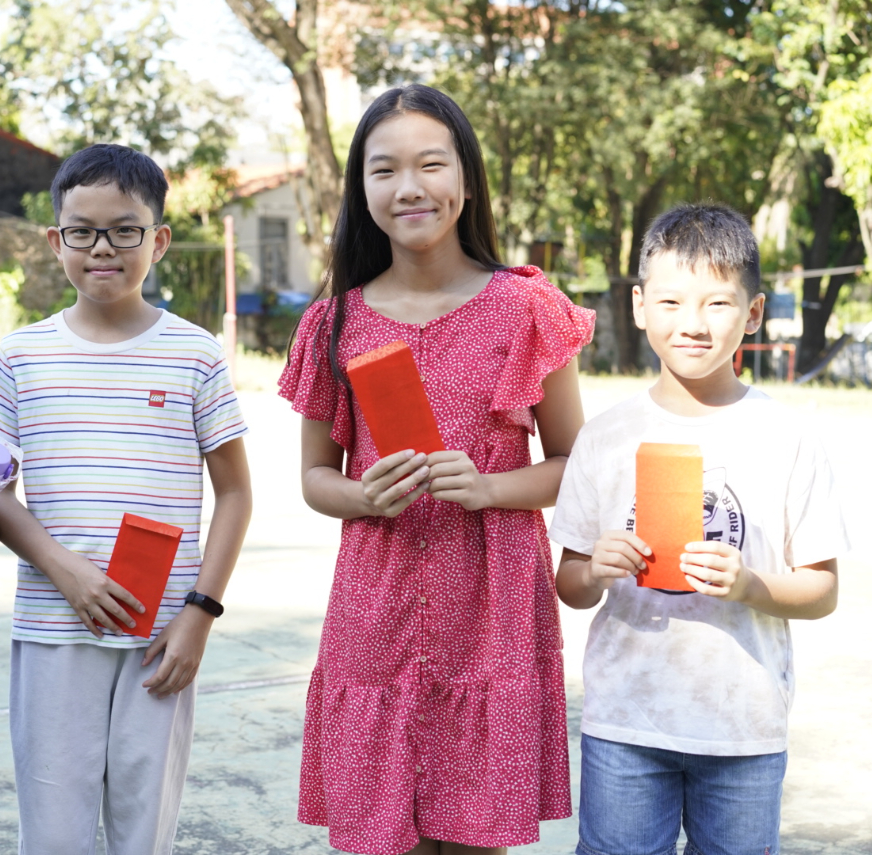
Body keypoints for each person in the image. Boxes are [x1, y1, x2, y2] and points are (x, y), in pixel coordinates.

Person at [279, 84, 594, 855]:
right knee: (380, 838)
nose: (409, 187)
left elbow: (577, 466)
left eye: (430, 164)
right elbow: (315, 478)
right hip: (374, 604)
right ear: (361, 189)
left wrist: (488, 487)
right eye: (384, 170)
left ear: (466, 178)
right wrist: (363, 494)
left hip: (491, 611)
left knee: (476, 838)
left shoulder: (525, 308)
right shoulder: (334, 322)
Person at [0, 143, 252, 855]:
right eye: (83, 230)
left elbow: (237, 494)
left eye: (125, 230)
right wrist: (63, 567)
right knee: (56, 836)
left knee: (141, 833)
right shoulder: (19, 356)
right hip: (53, 632)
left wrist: (200, 615)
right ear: (54, 240)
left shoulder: (194, 353)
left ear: (157, 239)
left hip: (161, 640)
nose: (103, 247)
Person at [550, 202, 848, 855]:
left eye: (717, 303)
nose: (692, 323)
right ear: (638, 306)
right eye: (671, 301)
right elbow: (568, 583)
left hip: (742, 730)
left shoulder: (787, 436)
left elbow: (822, 589)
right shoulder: (605, 437)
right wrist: (595, 567)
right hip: (626, 723)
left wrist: (750, 585)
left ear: (754, 312)